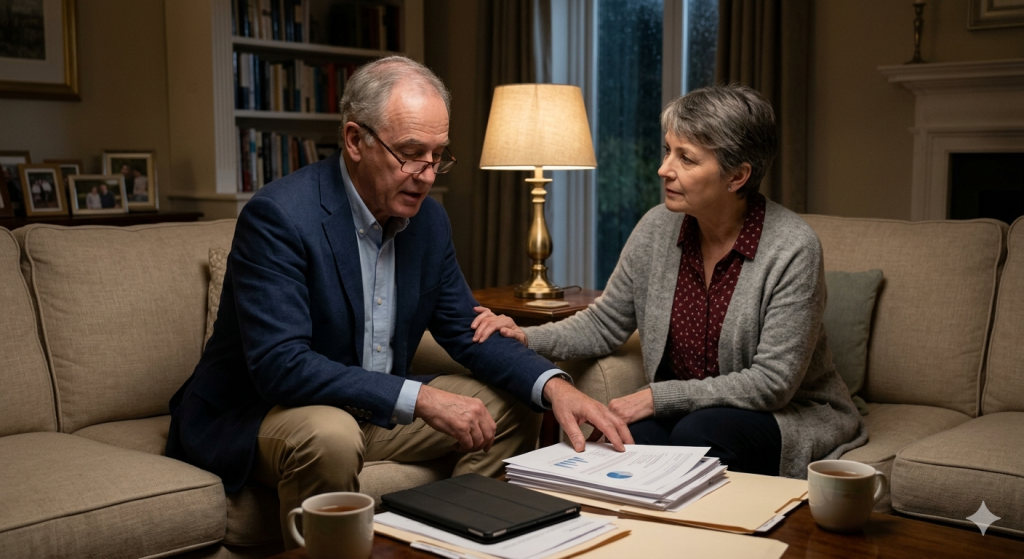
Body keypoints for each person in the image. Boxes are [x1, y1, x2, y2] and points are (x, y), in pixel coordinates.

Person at [165, 56, 631, 543]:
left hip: (368, 408)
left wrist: (554, 386)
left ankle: (451, 543)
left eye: (438, 155)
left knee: (512, 404)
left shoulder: (428, 221)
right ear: (355, 140)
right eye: (410, 154)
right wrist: (420, 397)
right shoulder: (279, 216)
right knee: (332, 434)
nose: (427, 175)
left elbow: (467, 329)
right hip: (262, 410)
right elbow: (281, 365)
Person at [473, 84, 867, 479]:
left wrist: (657, 397)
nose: (664, 169)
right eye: (668, 150)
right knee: (620, 440)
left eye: (686, 158)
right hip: (686, 413)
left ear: (737, 176)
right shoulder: (656, 228)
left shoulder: (794, 248)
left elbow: (772, 383)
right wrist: (527, 338)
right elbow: (604, 323)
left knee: (701, 433)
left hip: (785, 412)